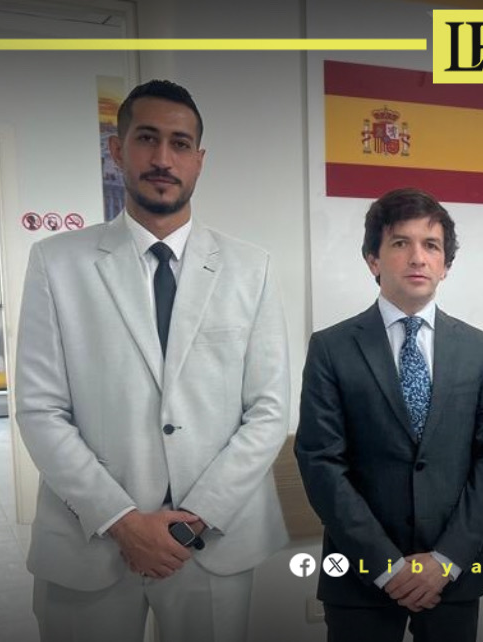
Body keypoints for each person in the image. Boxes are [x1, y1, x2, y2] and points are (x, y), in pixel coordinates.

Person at [15, 79, 290, 641]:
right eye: (147, 139)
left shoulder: (250, 268)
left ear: (199, 160)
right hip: (90, 539)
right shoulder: (57, 263)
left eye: (180, 144)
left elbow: (268, 410)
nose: (164, 158)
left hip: (212, 541)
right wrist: (122, 521)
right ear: (117, 151)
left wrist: (195, 520)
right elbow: (41, 410)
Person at [295, 188, 483, 642]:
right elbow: (320, 461)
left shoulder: (479, 349)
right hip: (360, 575)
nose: (418, 257)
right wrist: (384, 565)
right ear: (373, 260)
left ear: (445, 264)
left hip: (453, 575)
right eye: (400, 243)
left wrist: (447, 559)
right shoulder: (331, 348)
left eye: (431, 245)